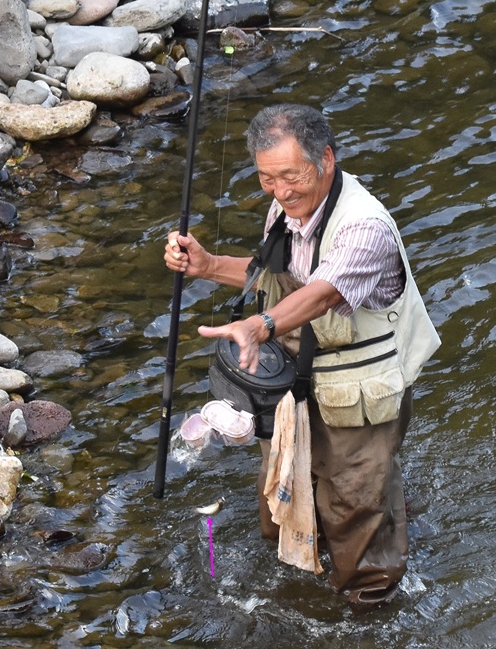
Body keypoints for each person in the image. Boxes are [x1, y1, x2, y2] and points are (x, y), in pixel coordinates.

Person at [163, 103, 441, 606]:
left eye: (292, 176)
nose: (281, 191)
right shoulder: (287, 207)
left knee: (354, 512)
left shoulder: (364, 227)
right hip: (297, 385)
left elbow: (322, 293)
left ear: (327, 160)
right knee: (285, 502)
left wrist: (259, 324)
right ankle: (319, 575)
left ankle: (370, 616)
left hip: (358, 395)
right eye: (268, 179)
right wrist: (207, 265)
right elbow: (272, 272)